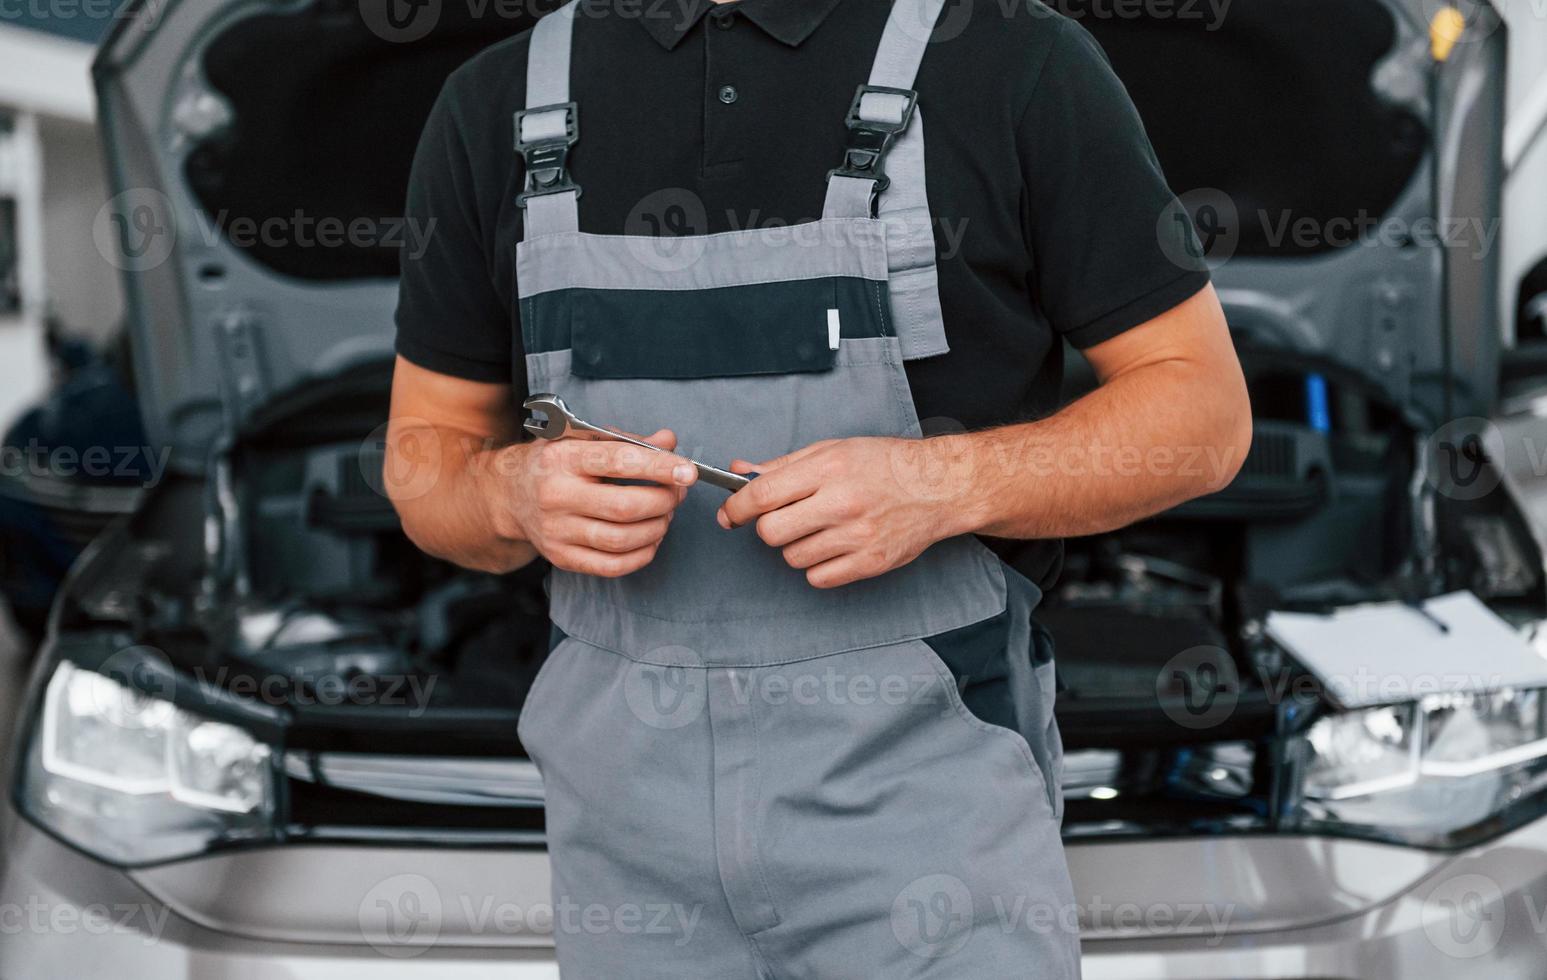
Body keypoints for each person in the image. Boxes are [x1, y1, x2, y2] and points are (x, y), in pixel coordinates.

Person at [386, 0, 1250, 973]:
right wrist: (507, 493)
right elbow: (425, 462)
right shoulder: (498, 103)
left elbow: (1200, 414)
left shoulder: (1011, 63)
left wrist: (943, 482)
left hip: (924, 829)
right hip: (626, 857)